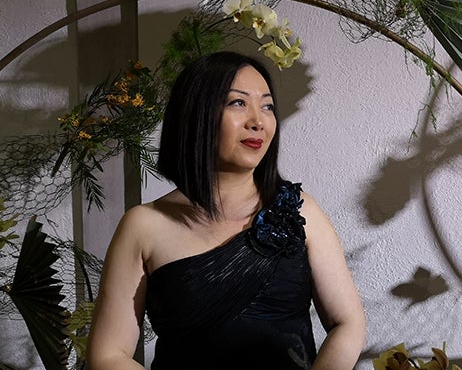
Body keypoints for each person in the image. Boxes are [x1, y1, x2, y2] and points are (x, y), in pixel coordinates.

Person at [87, 51, 366, 370]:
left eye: (267, 106)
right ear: (197, 113)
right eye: (238, 103)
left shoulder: (301, 210)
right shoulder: (143, 226)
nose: (258, 121)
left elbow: (349, 323)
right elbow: (108, 355)